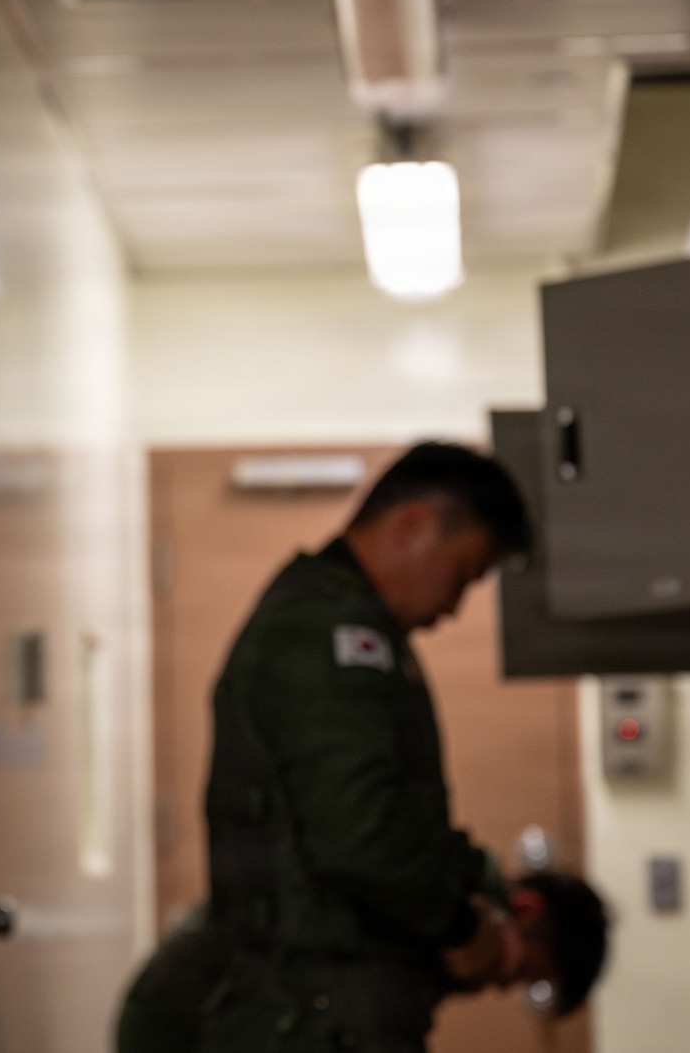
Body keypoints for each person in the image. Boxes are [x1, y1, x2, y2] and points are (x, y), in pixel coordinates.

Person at [116, 444, 609, 1053]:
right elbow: (358, 830)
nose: (454, 607)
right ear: (414, 526)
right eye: (461, 576)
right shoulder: (330, 633)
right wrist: (461, 928)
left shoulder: (347, 627)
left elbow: (392, 826)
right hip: (311, 1018)